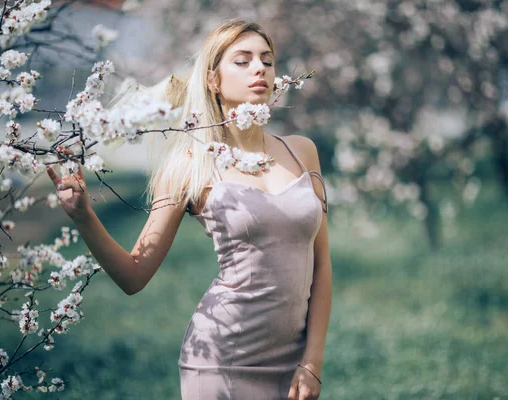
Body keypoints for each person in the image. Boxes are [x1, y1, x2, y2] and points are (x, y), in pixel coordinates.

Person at [46, 18, 332, 400]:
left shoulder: (302, 150)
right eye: (242, 60)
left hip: (294, 363)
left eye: (266, 59)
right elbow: (134, 274)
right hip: (220, 362)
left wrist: (312, 363)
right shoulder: (191, 163)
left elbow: (322, 265)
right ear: (213, 80)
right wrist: (83, 216)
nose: (259, 67)